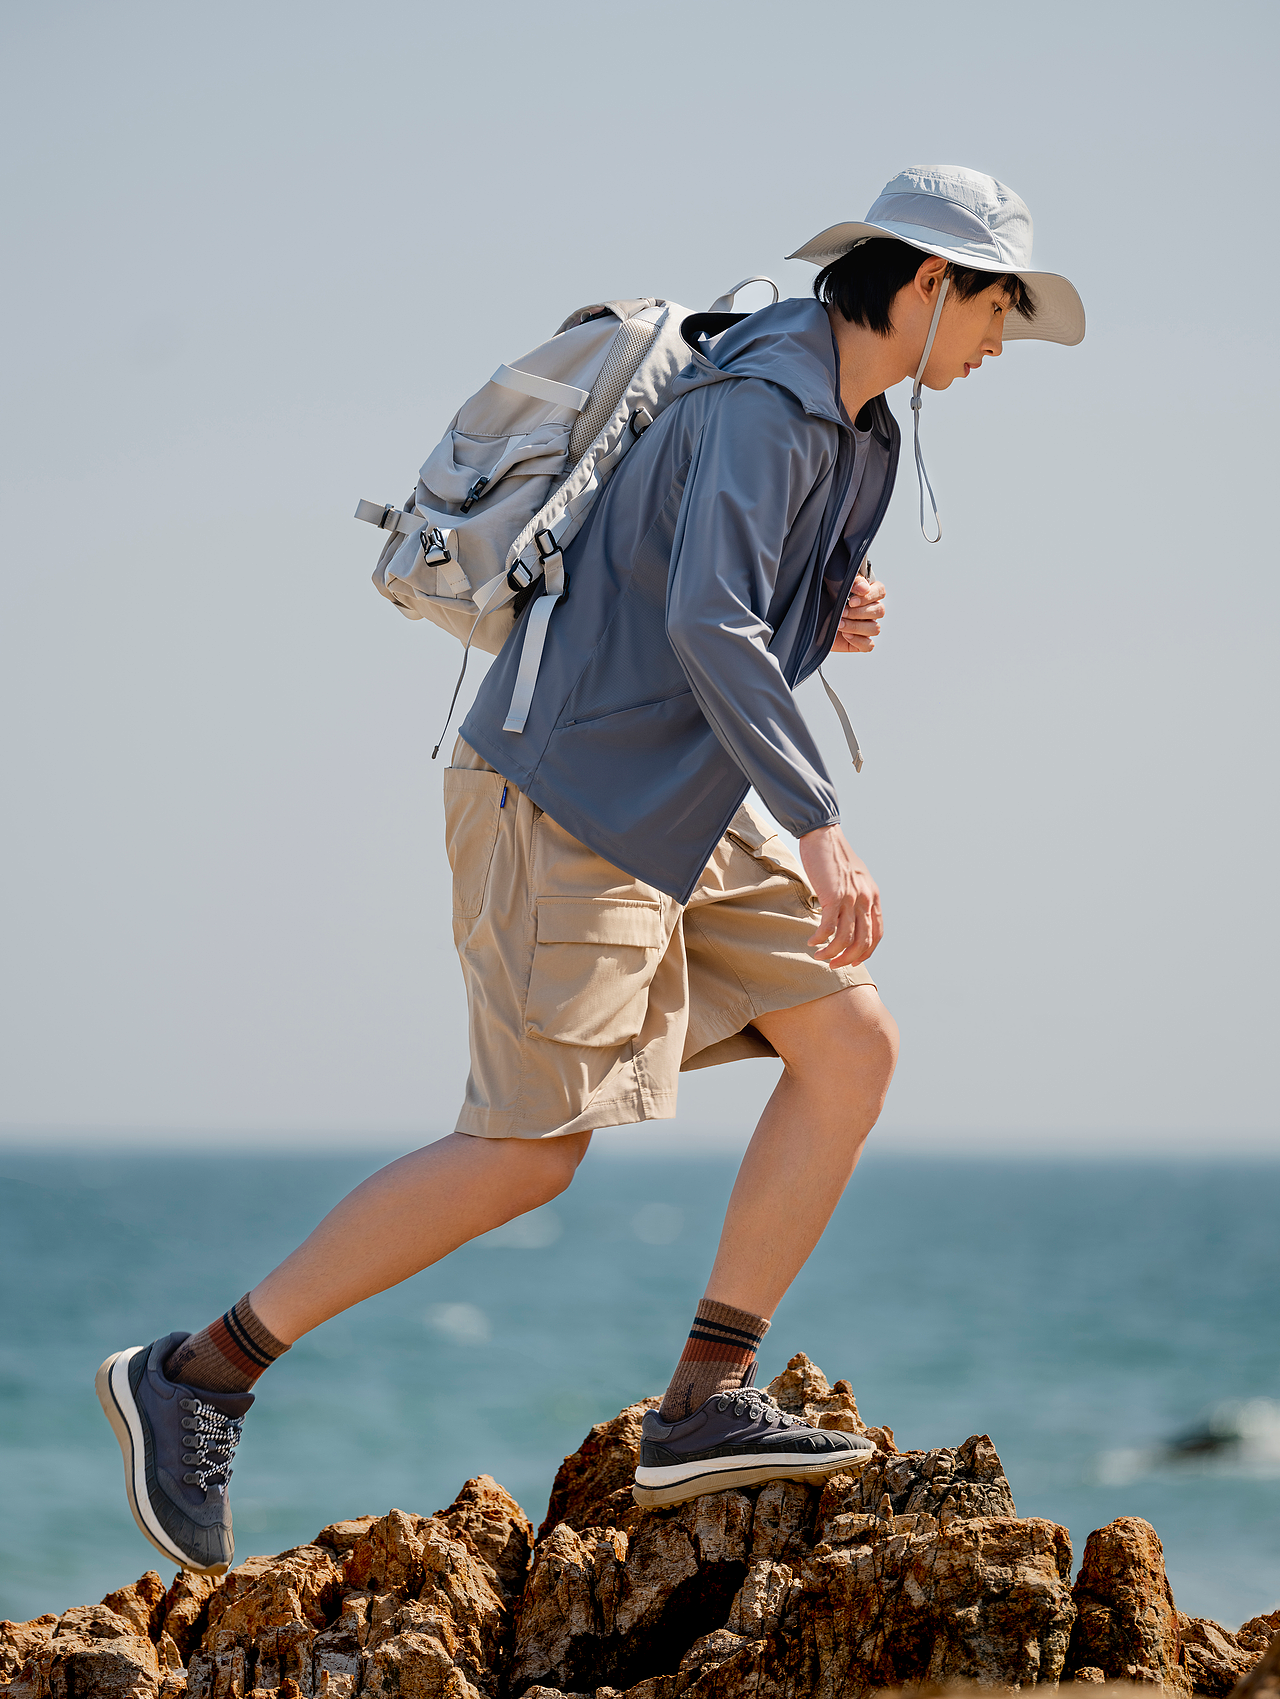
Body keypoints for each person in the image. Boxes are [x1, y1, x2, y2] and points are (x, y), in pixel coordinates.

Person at [96, 164, 1084, 1573]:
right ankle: (202, 1368)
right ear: (927, 281)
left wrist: (825, 606)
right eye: (998, 307)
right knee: (527, 1149)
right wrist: (820, 819)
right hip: (563, 795)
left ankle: (697, 1404)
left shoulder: (862, 433)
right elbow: (705, 623)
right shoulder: (764, 395)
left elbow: (720, 606)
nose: (1002, 343)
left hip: (681, 803)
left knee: (851, 1044)